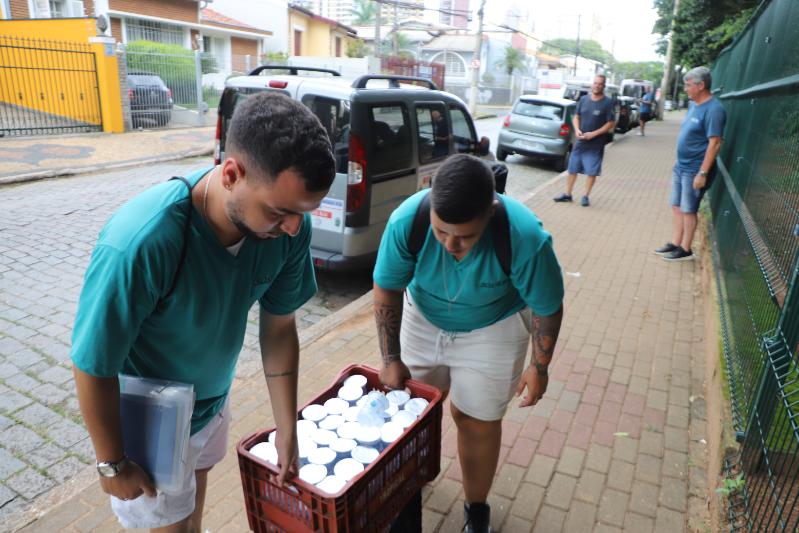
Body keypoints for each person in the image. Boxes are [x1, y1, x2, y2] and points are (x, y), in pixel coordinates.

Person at [70, 92, 336, 531]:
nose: (293, 227)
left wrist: (286, 427)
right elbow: (92, 365)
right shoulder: (142, 241)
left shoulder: (288, 231)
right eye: (280, 211)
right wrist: (112, 464)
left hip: (212, 401)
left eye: (303, 213)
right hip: (150, 422)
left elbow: (279, 327)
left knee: (193, 510)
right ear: (231, 173)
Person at [373, 154, 564, 533]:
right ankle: (410, 482)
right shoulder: (406, 220)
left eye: (465, 236)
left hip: (492, 326)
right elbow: (387, 287)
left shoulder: (524, 237)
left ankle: (476, 509)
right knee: (409, 410)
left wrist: (539, 367)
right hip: (423, 317)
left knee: (474, 419)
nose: (450, 245)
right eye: (441, 231)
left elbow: (547, 307)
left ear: (490, 212)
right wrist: (390, 357)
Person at [654, 66, 725, 261]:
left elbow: (715, 143)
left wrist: (702, 173)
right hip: (681, 166)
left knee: (688, 209)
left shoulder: (714, 110)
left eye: (688, 85)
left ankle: (686, 249)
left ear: (701, 85)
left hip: (695, 169)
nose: (685, 89)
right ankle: (675, 243)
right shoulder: (694, 105)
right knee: (676, 206)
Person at [553, 74, 616, 207]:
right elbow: (577, 117)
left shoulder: (608, 103)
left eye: (600, 84)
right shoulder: (583, 99)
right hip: (580, 142)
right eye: (595, 83)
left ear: (603, 86)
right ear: (592, 84)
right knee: (572, 169)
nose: (597, 85)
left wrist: (593, 134)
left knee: (591, 171)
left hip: (595, 144)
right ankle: (568, 194)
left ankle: (585, 196)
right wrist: (576, 130)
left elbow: (610, 124)